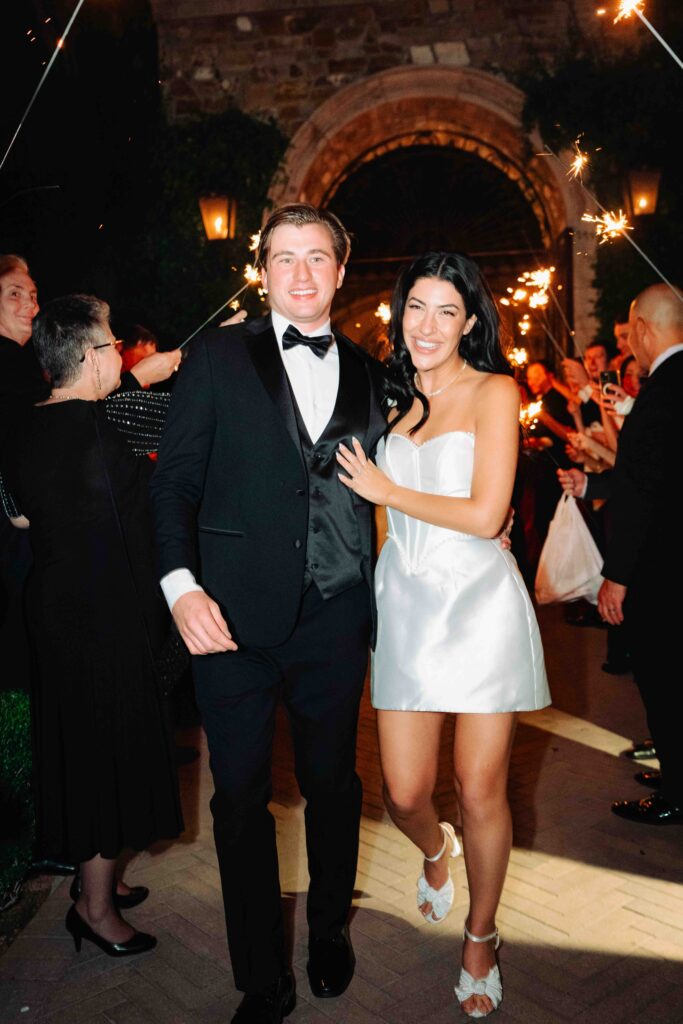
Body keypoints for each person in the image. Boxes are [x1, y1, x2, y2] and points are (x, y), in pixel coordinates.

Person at [150, 204, 387, 1024]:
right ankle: (260, 977)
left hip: (334, 616)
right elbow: (174, 481)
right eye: (283, 257)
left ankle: (328, 930)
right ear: (263, 271)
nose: (300, 272)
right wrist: (180, 587)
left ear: (340, 270)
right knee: (239, 799)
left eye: (316, 256)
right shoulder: (216, 356)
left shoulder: (370, 373)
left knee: (332, 786)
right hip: (227, 619)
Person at [336, 252, 551, 1018]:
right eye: (416, 308)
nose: (427, 325)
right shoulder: (384, 399)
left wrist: (389, 490)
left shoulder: (495, 391)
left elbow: (488, 515)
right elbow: (361, 509)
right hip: (406, 605)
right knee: (402, 791)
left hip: (479, 604)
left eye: (446, 311)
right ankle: (435, 849)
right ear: (400, 316)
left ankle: (480, 936)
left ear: (468, 323)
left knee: (480, 786)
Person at [4, 295, 184, 956]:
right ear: (88, 355)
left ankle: (98, 882)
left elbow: (18, 513)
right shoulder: (110, 423)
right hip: (105, 614)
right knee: (107, 760)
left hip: (57, 609)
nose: (120, 353)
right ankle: (95, 908)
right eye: (112, 344)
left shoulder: (23, 425)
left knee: (84, 753)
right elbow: (186, 428)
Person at [558, 283, 683, 824]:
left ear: (645, 329)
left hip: (663, 564)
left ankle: (676, 792)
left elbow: (643, 490)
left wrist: (618, 574)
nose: (629, 346)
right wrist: (591, 485)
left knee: (663, 676)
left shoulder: (662, 390)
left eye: (630, 335)